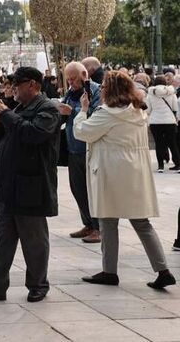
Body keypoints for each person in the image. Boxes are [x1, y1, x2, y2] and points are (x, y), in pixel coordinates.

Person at [74, 70, 176, 289]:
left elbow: (82, 132)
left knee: (108, 220)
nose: (100, 90)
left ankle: (109, 271)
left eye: (102, 87)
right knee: (141, 222)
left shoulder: (107, 114)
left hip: (111, 172)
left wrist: (82, 111)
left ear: (110, 90)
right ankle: (163, 269)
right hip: (135, 172)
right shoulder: (138, 112)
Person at [0, 67, 60, 303]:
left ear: (33, 85)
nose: (13, 89)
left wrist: (7, 115)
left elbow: (33, 134)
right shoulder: (19, 109)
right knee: (3, 240)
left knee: (34, 241)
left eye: (17, 85)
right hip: (9, 186)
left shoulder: (46, 109)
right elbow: (3, 140)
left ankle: (38, 285)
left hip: (31, 186)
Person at [58, 62, 102, 244]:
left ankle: (98, 228)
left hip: (89, 147)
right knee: (78, 189)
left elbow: (97, 114)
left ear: (84, 74)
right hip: (73, 147)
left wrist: (73, 110)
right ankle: (88, 224)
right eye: (68, 79)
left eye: (74, 78)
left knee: (92, 191)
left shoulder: (96, 91)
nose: (71, 82)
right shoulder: (70, 92)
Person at [145, 75, 180, 173]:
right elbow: (174, 108)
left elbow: (148, 109)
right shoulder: (171, 93)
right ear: (165, 82)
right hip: (169, 121)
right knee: (173, 143)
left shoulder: (150, 94)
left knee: (159, 143)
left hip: (155, 121)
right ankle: (178, 164)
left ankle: (160, 166)